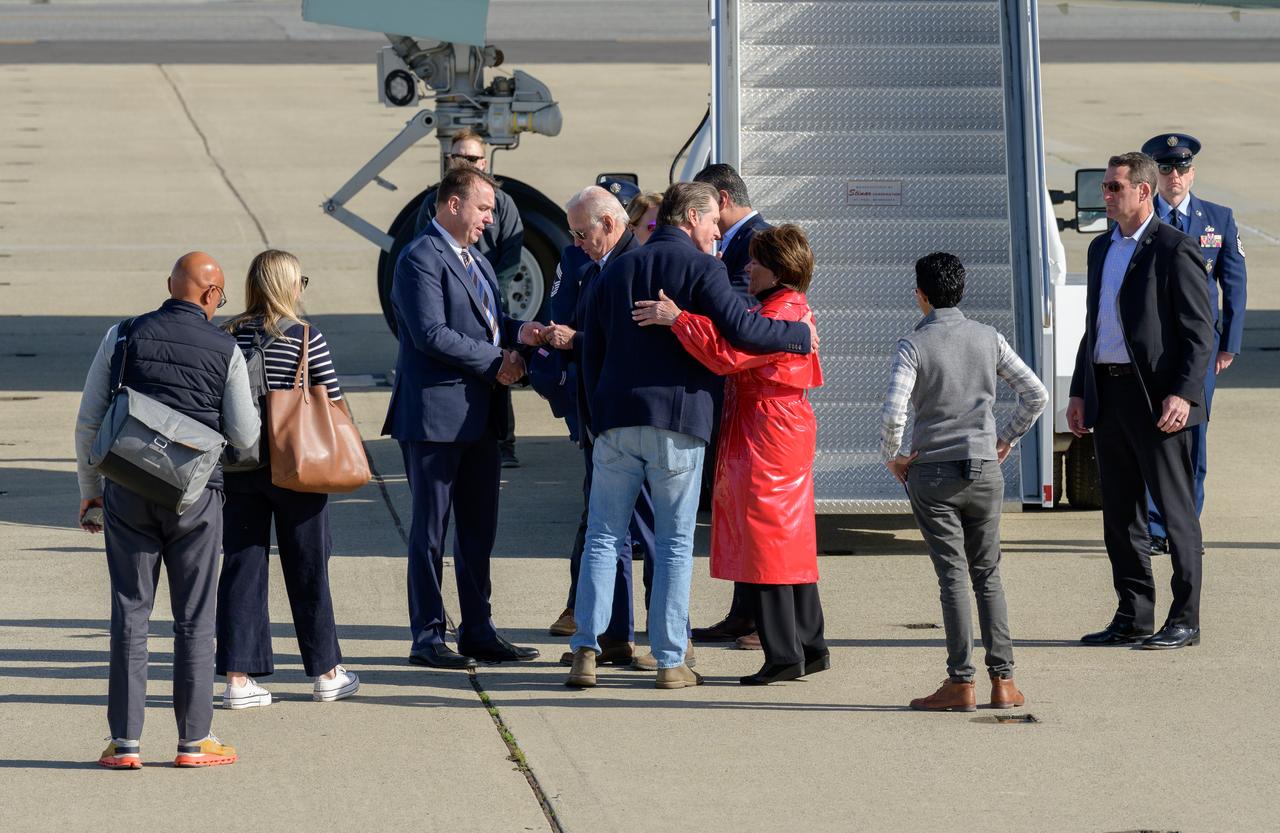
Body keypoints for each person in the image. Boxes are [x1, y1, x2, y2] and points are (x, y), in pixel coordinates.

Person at [563, 181, 815, 690]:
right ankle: (669, 661)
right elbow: (744, 330)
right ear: (693, 216)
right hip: (677, 424)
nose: (716, 234)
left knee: (603, 537)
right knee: (675, 543)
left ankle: (585, 652)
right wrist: (799, 334)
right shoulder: (703, 269)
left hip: (614, 422)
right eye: (711, 224)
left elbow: (591, 350)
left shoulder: (617, 269)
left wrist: (594, 416)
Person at [75, 252, 259, 768]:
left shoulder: (123, 335)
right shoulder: (226, 349)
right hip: (195, 498)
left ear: (169, 286)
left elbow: (89, 422)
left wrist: (91, 491)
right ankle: (193, 741)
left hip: (128, 489)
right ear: (209, 296)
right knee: (195, 618)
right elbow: (244, 437)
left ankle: (125, 743)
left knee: (131, 614)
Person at [634, 224, 828, 685]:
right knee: (788, 535)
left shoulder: (781, 311)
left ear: (778, 268)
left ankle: (784, 653)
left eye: (757, 261)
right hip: (779, 424)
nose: (747, 266)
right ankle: (809, 643)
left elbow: (730, 354)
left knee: (767, 537)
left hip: (766, 427)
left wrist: (679, 318)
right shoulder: (787, 307)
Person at [384, 166, 545, 669]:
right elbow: (431, 333)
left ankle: (478, 629)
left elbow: (489, 325)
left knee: (479, 529)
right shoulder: (419, 259)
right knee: (430, 531)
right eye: (483, 209)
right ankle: (428, 636)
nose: (490, 220)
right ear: (453, 205)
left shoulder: (473, 257)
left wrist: (526, 333)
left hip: (480, 417)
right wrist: (497, 362)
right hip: (435, 417)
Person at [881, 252, 1047, 712]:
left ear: (921, 296)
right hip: (983, 467)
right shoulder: (989, 338)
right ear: (962, 291)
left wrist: (893, 457)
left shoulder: (913, 345)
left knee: (952, 576)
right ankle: (1004, 681)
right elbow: (1036, 393)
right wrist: (1006, 437)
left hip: (933, 470)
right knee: (988, 573)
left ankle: (960, 681)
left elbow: (894, 410)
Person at [1068, 151, 1215, 651]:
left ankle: (1186, 618)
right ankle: (1132, 614)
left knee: (1175, 515)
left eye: (1113, 187)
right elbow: (1095, 327)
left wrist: (1184, 393)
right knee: (1121, 516)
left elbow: (1201, 334)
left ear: (1143, 191)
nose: (1104, 195)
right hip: (1108, 395)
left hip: (1158, 401)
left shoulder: (1174, 249)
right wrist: (1078, 391)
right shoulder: (1100, 250)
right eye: (1104, 187)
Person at [215, 250, 359, 709]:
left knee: (241, 566)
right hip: (299, 466)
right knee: (309, 567)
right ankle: (326, 673)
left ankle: (238, 680)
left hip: (240, 465)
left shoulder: (227, 336)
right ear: (287, 286)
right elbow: (332, 399)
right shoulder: (305, 337)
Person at [540, 186, 656, 669]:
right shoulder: (596, 264)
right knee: (610, 535)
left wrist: (576, 339)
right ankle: (613, 639)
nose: (577, 242)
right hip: (601, 422)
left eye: (582, 232)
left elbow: (632, 342)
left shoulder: (635, 265)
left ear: (609, 224)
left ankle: (669, 642)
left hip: (630, 423)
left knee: (648, 536)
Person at [1139, 133, 1247, 555]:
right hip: (1152, 346)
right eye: (1165, 169)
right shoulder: (1141, 219)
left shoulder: (1217, 219)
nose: (1174, 177)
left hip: (1200, 349)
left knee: (1193, 440)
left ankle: (1185, 528)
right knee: (1154, 434)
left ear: (1193, 172)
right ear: (1154, 174)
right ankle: (1153, 528)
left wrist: (1230, 344)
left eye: (1182, 168)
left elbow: (1233, 284)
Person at [688, 163, 773, 649]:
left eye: (702, 207)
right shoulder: (742, 240)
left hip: (752, 396)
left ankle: (763, 620)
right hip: (735, 393)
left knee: (756, 512)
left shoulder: (757, 240)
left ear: (721, 200)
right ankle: (743, 613)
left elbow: (737, 311)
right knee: (737, 510)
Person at [416, 128, 526, 468]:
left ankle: (502, 441)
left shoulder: (503, 203)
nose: (468, 162)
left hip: (490, 296)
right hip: (452, 303)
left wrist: (490, 282)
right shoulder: (430, 209)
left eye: (474, 157)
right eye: (460, 157)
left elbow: (512, 252)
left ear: (486, 159)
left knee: (496, 362)